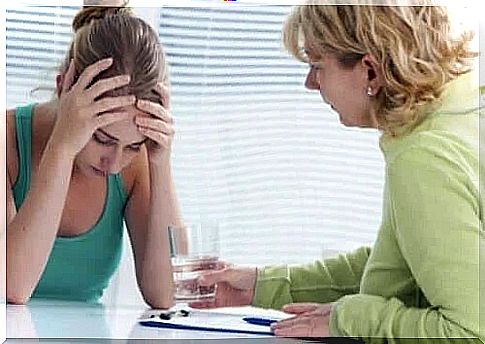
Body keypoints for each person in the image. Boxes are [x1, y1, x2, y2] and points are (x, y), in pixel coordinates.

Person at [191, 2, 483, 342]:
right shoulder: (462, 112)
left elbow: (472, 332)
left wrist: (350, 318)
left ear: (370, 71)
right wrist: (263, 285)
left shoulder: (423, 158)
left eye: (317, 65)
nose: (309, 83)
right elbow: (409, 264)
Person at [5, 5, 183, 309]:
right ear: (64, 89)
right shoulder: (6, 139)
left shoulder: (136, 161)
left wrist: (160, 162)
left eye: (132, 146)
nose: (114, 164)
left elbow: (167, 293)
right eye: (102, 139)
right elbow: (13, 286)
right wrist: (62, 149)